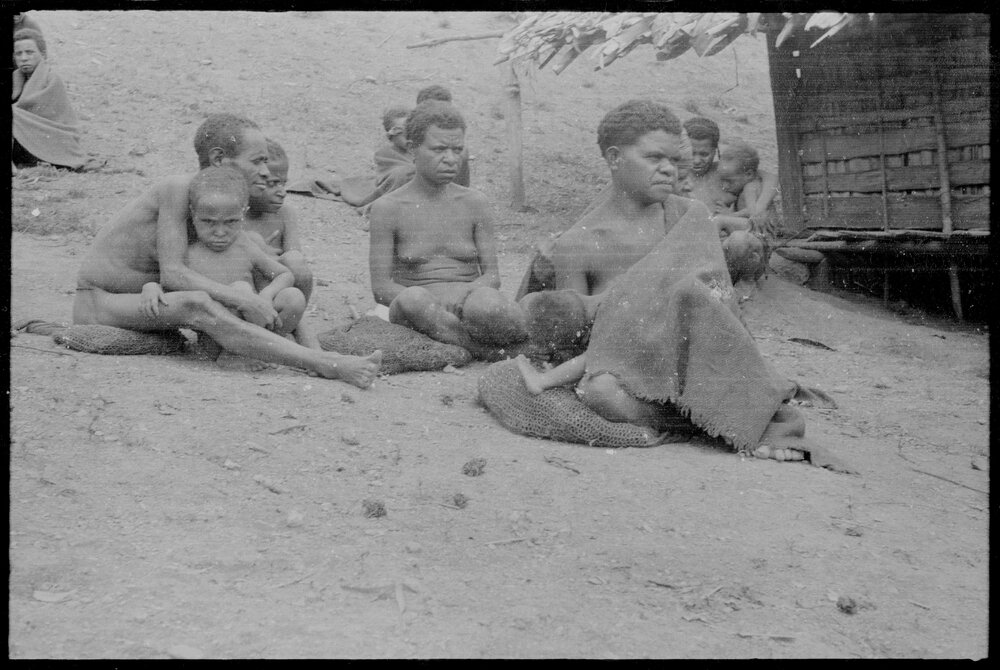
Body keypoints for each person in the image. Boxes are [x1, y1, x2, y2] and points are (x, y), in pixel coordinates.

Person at [72, 112, 381, 387]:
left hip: (148, 299)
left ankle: (312, 352)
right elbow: (174, 275)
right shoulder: (178, 190)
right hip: (101, 301)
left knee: (256, 270)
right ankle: (320, 363)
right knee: (197, 302)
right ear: (219, 159)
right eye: (257, 161)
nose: (265, 170)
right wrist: (242, 298)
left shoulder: (222, 203)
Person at [511, 197, 815, 463]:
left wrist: (542, 379)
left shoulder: (610, 313)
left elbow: (588, 360)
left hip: (704, 351)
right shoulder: (611, 297)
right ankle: (716, 421)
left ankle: (727, 424)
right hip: (684, 359)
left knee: (598, 389)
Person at [516, 100, 708, 317]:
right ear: (614, 158)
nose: (669, 170)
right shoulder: (579, 244)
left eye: (674, 161)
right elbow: (574, 328)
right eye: (655, 157)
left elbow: (721, 315)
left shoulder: (690, 217)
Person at [368, 101, 527, 358]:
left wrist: (465, 291)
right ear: (412, 149)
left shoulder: (475, 202)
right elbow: (381, 288)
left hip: (467, 304)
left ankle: (460, 345)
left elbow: (492, 277)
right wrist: (434, 302)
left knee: (491, 306)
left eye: (458, 149)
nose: (451, 159)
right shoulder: (388, 208)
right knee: (414, 301)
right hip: (418, 309)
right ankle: (484, 351)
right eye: (439, 149)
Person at [175, 166, 306, 354]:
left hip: (255, 318)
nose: (220, 232)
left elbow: (284, 274)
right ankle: (229, 356)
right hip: (216, 332)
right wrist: (150, 288)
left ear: (243, 214)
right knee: (240, 289)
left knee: (293, 297)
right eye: (208, 222)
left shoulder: (244, 245)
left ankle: (269, 347)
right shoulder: (189, 251)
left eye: (231, 222)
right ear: (193, 215)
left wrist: (267, 295)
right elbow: (168, 283)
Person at [242, 138, 319, 348]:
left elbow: (295, 261)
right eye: (273, 183)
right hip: (248, 292)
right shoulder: (235, 218)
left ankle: (292, 326)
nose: (282, 191)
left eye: (283, 183)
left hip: (281, 288)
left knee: (296, 262)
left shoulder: (285, 214)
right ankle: (296, 338)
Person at [12, 28, 95, 171]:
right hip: (23, 139)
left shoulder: (51, 79)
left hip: (52, 140)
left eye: (30, 52)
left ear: (42, 54)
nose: (24, 58)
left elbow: (36, 113)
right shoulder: (15, 78)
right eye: (18, 53)